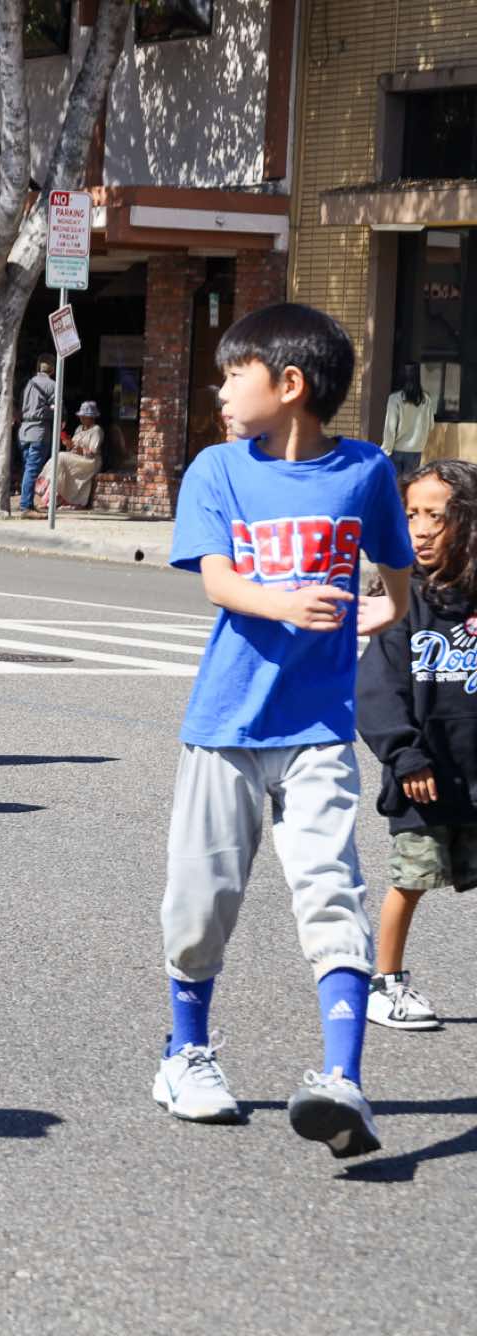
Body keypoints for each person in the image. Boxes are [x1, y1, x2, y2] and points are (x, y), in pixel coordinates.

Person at [152, 302, 413, 1160]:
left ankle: (343, 1079)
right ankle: (186, 1053)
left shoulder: (366, 471)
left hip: (318, 729)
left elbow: (397, 569)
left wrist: (387, 609)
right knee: (200, 903)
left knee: (332, 892)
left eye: (235, 375)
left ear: (290, 384)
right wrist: (287, 603)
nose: (222, 391)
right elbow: (218, 582)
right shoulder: (218, 469)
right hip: (224, 722)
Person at [356, 460, 477, 1032]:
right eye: (411, 515)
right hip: (424, 779)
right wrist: (405, 755)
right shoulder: (401, 602)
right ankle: (385, 982)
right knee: (411, 881)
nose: (421, 529)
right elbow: (377, 690)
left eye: (437, 516)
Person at [16, 355, 59, 515]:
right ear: (53, 369)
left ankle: (28, 502)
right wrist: (49, 411)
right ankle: (25, 506)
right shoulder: (52, 385)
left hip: (24, 431)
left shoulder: (28, 384)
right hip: (38, 432)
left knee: (28, 468)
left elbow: (21, 406)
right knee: (32, 469)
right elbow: (57, 409)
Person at [381, 363, 436, 480]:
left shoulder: (395, 399)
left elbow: (390, 429)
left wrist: (386, 450)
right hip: (416, 450)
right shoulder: (426, 399)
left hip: (395, 450)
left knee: (395, 486)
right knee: (409, 486)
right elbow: (431, 425)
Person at [52, 400, 104, 508]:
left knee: (61, 457)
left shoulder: (97, 430)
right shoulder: (79, 428)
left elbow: (92, 453)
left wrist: (79, 449)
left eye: (85, 416)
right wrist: (68, 444)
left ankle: (64, 498)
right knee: (59, 460)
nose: (82, 418)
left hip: (90, 461)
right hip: (77, 458)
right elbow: (73, 446)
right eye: (81, 416)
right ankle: (54, 495)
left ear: (92, 417)